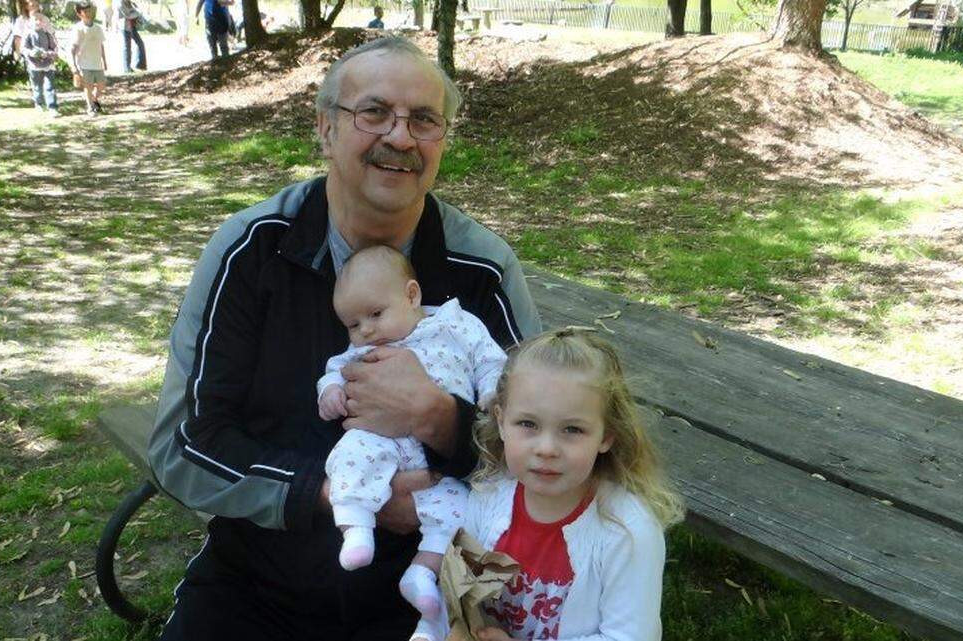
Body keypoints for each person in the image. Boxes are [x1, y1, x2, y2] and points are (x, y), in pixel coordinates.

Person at [146, 36, 540, 641]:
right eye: (374, 112)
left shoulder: (479, 268)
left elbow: (546, 443)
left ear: (441, 143)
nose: (400, 138)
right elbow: (185, 446)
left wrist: (440, 419)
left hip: (427, 586)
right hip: (262, 574)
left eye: (424, 121)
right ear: (326, 131)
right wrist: (341, 494)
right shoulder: (252, 252)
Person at [318, 244, 508, 639]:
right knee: (350, 456)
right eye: (353, 324)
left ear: (411, 295)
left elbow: (492, 361)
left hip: (438, 461)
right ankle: (355, 524)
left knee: (462, 512)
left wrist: (490, 392)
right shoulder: (362, 349)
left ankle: (423, 574)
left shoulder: (459, 324)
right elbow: (333, 370)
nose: (366, 330)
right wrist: (329, 392)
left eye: (375, 314)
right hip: (380, 441)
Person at [460, 329, 684, 641]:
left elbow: (630, 637)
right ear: (501, 421)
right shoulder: (488, 495)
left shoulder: (628, 531)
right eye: (528, 424)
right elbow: (459, 590)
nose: (547, 448)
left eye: (572, 429)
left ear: (606, 436)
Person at [70, 1, 107, 116]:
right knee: (88, 86)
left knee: (101, 86)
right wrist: (74, 66)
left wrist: (104, 60)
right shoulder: (78, 28)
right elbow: (73, 48)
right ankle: (90, 107)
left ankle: (94, 99)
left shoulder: (97, 28)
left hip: (97, 62)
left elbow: (101, 45)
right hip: (84, 63)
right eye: (85, 11)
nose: (88, 13)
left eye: (89, 10)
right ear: (79, 14)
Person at [20, 10, 58, 114]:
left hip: (48, 64)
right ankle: (39, 104)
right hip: (34, 65)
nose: (38, 22)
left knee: (50, 86)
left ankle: (52, 107)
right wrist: (32, 53)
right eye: (35, 20)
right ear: (30, 22)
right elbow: (23, 49)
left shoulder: (47, 34)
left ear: (44, 22)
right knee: (37, 86)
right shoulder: (28, 34)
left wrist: (49, 53)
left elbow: (54, 48)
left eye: (40, 20)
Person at [117, 0, 147, 73]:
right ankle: (127, 68)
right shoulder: (120, 2)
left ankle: (141, 65)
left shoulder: (130, 3)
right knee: (127, 48)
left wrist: (137, 12)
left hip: (132, 26)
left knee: (140, 44)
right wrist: (137, 13)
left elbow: (135, 12)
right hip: (124, 27)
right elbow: (128, 15)